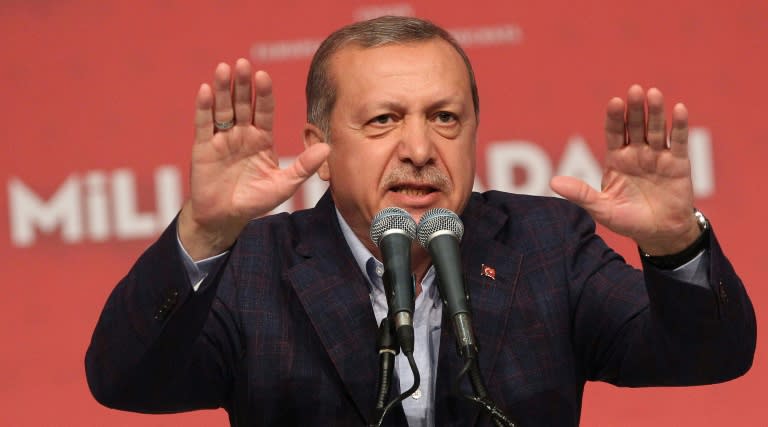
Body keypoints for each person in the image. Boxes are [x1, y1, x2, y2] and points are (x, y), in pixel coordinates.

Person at [85, 16, 756, 426]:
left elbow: (709, 356)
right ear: (319, 146)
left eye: (445, 118)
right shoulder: (257, 266)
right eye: (383, 119)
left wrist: (674, 245)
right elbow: (124, 381)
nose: (418, 147)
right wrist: (203, 234)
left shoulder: (546, 244)